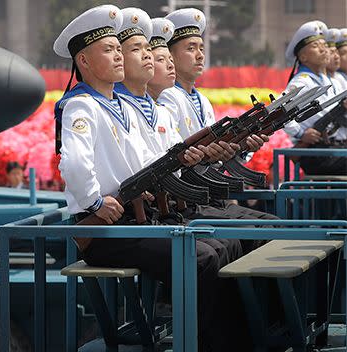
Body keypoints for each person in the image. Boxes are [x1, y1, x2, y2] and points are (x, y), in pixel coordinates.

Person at [53, 6, 237, 352]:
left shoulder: (119, 106)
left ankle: (216, 338)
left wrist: (176, 166)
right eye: (108, 50)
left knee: (219, 246)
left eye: (117, 48)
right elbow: (74, 163)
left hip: (136, 217)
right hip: (105, 229)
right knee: (200, 258)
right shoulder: (81, 106)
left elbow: (147, 160)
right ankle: (196, 342)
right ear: (84, 62)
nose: (119, 56)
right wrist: (94, 200)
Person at [156, 8, 277, 255]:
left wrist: (241, 149)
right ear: (171, 55)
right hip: (188, 197)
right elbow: (176, 158)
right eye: (190, 48)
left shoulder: (201, 101)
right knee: (262, 230)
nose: (199, 55)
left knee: (271, 225)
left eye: (201, 48)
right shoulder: (169, 98)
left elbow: (216, 156)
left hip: (205, 192)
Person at [283, 21, 347, 175]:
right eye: (316, 46)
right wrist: (301, 134)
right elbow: (280, 113)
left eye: (324, 45)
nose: (324, 49)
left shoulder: (327, 80)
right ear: (303, 57)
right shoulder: (302, 81)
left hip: (334, 150)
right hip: (319, 153)